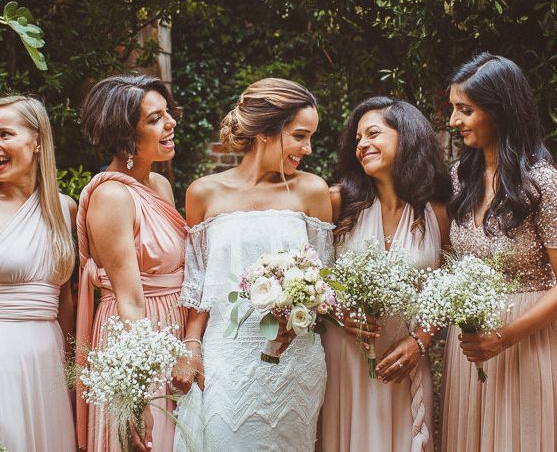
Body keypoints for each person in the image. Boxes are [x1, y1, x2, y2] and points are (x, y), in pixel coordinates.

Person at [440, 53, 557, 451]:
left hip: (529, 341)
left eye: (465, 110)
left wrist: (503, 337)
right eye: (454, 109)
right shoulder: (462, 177)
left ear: (501, 111)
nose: (453, 121)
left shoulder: (543, 184)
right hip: (473, 343)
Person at [173, 78, 333, 451]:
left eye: (310, 138)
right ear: (266, 132)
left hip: (296, 358)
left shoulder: (312, 191)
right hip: (226, 357)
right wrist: (191, 345)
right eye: (299, 136)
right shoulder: (203, 192)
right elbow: (197, 286)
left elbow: (325, 280)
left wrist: (303, 312)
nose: (307, 149)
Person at [320, 97, 451, 452]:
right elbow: (307, 276)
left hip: (403, 359)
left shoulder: (437, 212)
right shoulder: (336, 203)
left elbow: (446, 289)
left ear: (407, 136)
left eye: (373, 133)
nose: (362, 144)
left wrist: (421, 340)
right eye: (358, 139)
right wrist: (336, 312)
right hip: (344, 358)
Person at [75, 75, 188, 452]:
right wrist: (137, 391)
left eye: (167, 112)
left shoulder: (161, 185)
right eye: (154, 119)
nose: (170, 122)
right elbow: (129, 299)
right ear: (125, 137)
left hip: (171, 329)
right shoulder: (112, 196)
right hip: (134, 336)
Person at [0, 96, 76, 452]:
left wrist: (74, 369)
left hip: (49, 358)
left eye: (4, 134)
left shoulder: (64, 208)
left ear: (37, 141)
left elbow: (66, 299)